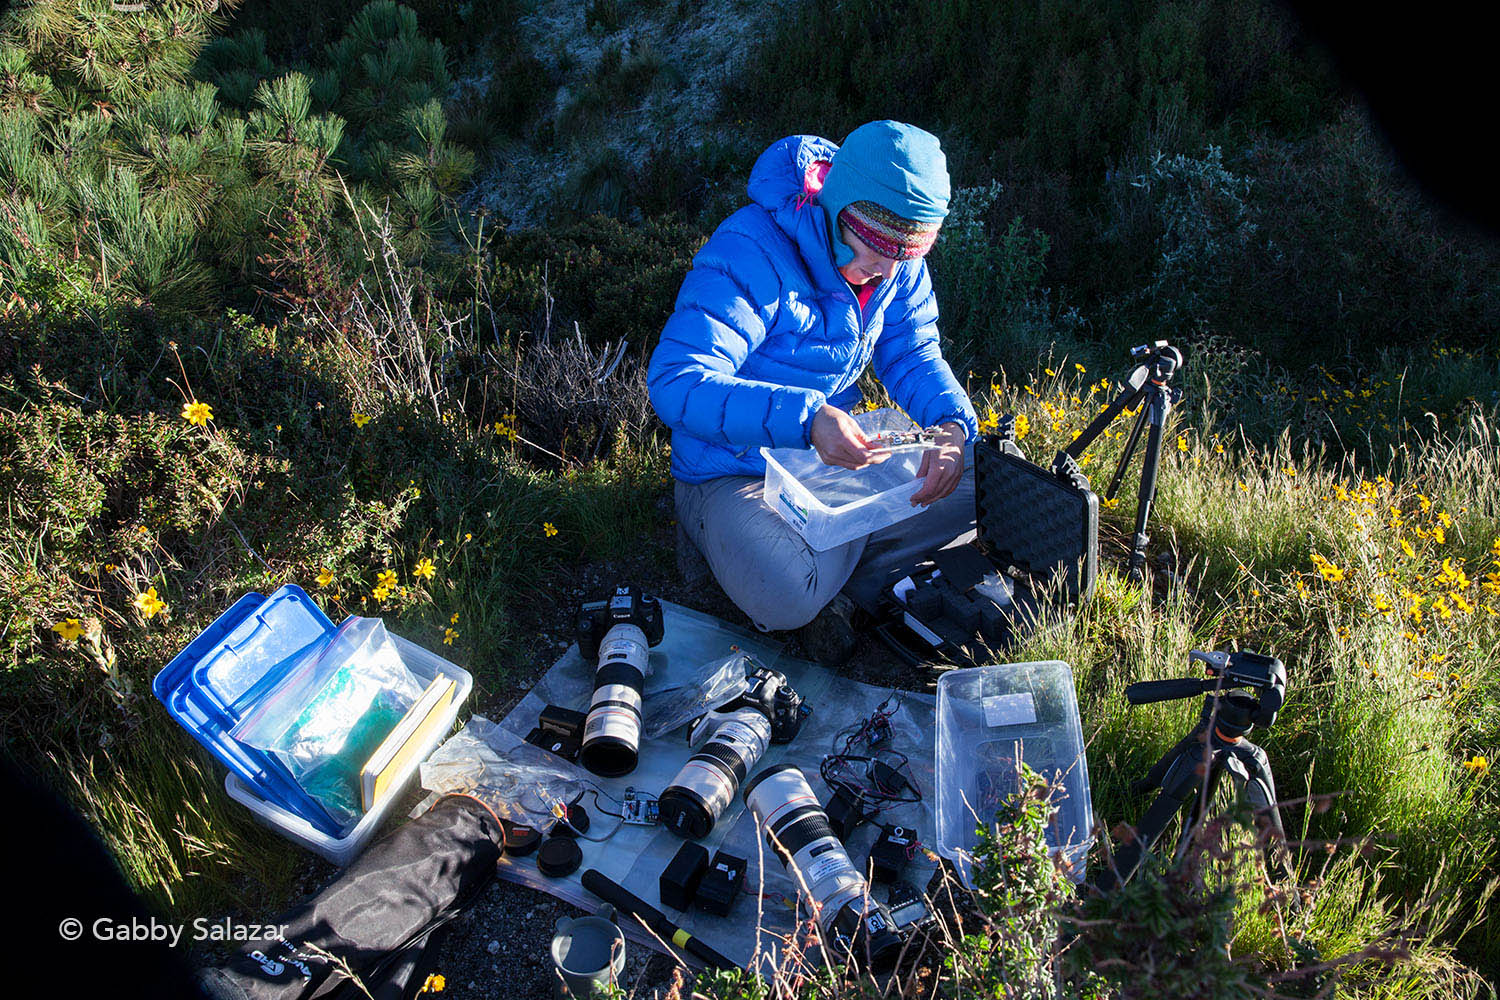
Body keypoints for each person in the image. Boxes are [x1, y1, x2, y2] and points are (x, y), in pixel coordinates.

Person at [648, 121, 978, 661]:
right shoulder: (751, 250)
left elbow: (914, 353)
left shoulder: (895, 267)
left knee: (982, 475)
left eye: (907, 253)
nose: (885, 270)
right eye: (875, 246)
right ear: (839, 207)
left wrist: (949, 427)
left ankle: (843, 560)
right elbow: (674, 383)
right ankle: (857, 563)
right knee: (784, 591)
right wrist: (806, 419)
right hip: (732, 473)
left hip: (828, 469)